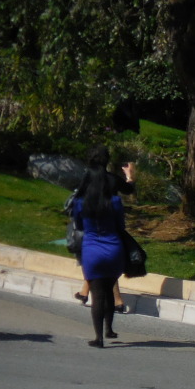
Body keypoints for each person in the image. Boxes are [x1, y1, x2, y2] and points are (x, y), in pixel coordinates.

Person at [70, 145, 127, 348]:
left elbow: (77, 223)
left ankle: (98, 338)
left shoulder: (80, 203)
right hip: (114, 249)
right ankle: (109, 329)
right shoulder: (116, 202)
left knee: (97, 294)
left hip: (92, 250)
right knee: (110, 291)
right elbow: (121, 225)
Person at [74, 159, 135, 312]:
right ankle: (90, 293)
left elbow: (78, 208)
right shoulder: (113, 184)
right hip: (109, 228)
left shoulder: (88, 179)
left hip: (92, 227)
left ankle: (111, 300)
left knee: (97, 262)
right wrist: (129, 176)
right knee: (107, 264)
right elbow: (128, 190)